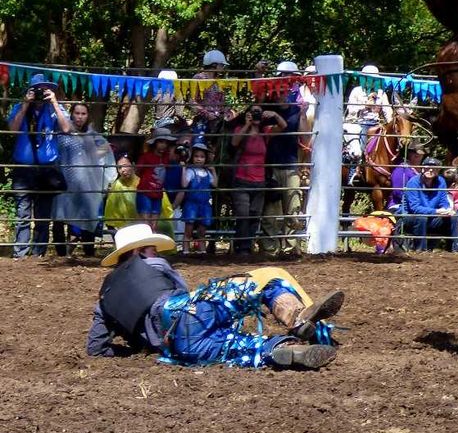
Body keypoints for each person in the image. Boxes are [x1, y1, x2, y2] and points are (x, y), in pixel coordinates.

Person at [86, 223, 344, 369]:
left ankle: (286, 349)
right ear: (138, 252)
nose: (156, 254)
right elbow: (185, 297)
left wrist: (135, 347)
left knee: (240, 347)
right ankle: (298, 318)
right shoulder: (155, 265)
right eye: (152, 249)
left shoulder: (105, 299)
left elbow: (95, 348)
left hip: (179, 348)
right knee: (266, 280)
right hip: (187, 311)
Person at [7, 73, 72, 257]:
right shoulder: (20, 107)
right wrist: (26, 103)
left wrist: (55, 103)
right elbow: (12, 129)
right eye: (37, 90)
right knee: (23, 212)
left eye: (45, 90)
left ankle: (38, 254)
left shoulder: (54, 109)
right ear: (29, 91)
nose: (40, 94)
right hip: (23, 169)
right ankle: (20, 253)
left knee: (43, 215)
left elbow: (66, 128)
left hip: (47, 170)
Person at [52, 103, 116, 257]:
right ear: (72, 114)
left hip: (86, 183)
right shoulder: (63, 132)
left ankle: (89, 253)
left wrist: (92, 152)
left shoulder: (92, 136)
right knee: (60, 217)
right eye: (77, 113)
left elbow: (106, 149)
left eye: (83, 114)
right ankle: (61, 255)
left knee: (88, 215)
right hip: (64, 182)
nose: (80, 117)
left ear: (87, 116)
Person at [231, 103, 287, 254]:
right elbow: (234, 142)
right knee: (243, 215)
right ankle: (241, 248)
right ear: (247, 114)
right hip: (241, 180)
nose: (256, 114)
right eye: (253, 112)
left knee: (255, 216)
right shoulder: (240, 129)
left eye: (259, 112)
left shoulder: (265, 132)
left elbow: (283, 126)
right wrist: (247, 125)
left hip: (260, 181)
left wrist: (274, 115)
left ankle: (247, 247)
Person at [260, 64, 304, 254]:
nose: (280, 93)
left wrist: (302, 112)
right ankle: (271, 250)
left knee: (293, 207)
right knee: (271, 211)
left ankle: (290, 248)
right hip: (270, 164)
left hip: (291, 162)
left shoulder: (297, 110)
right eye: (278, 89)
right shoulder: (266, 110)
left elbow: (304, 137)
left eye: (284, 89)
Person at [104, 154, 176, 237]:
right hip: (130, 229)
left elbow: (164, 207)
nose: (123, 170)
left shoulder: (146, 181)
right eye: (119, 168)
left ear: (133, 165)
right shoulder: (117, 186)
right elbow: (110, 215)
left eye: (125, 166)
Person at [399, 157, 458, 252]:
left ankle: (455, 249)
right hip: (412, 217)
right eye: (428, 167)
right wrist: (436, 211)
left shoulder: (441, 181)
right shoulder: (413, 182)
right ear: (422, 168)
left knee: (453, 217)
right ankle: (421, 249)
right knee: (422, 218)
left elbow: (444, 201)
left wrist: (447, 209)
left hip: (432, 216)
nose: (430, 170)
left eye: (434, 168)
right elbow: (415, 208)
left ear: (438, 170)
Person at [135, 127, 176, 229]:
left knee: (154, 226)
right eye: (161, 142)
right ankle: (145, 244)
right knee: (145, 224)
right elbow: (137, 172)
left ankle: (151, 245)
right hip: (145, 193)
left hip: (158, 194)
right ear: (155, 143)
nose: (164, 145)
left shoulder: (167, 157)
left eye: (166, 142)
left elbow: (180, 156)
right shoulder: (145, 157)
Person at [181, 143, 217, 253]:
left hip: (204, 204)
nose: (199, 159)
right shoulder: (190, 171)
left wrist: (213, 171)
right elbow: (184, 184)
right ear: (192, 157)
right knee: (189, 228)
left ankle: (202, 251)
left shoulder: (207, 173)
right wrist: (183, 169)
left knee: (202, 229)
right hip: (192, 204)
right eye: (196, 156)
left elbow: (215, 184)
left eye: (202, 157)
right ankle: (185, 251)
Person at [387, 144, 425, 212]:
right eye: (414, 153)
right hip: (401, 205)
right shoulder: (401, 169)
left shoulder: (424, 170)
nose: (418, 156)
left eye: (420, 154)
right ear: (408, 154)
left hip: (421, 204)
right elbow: (398, 192)